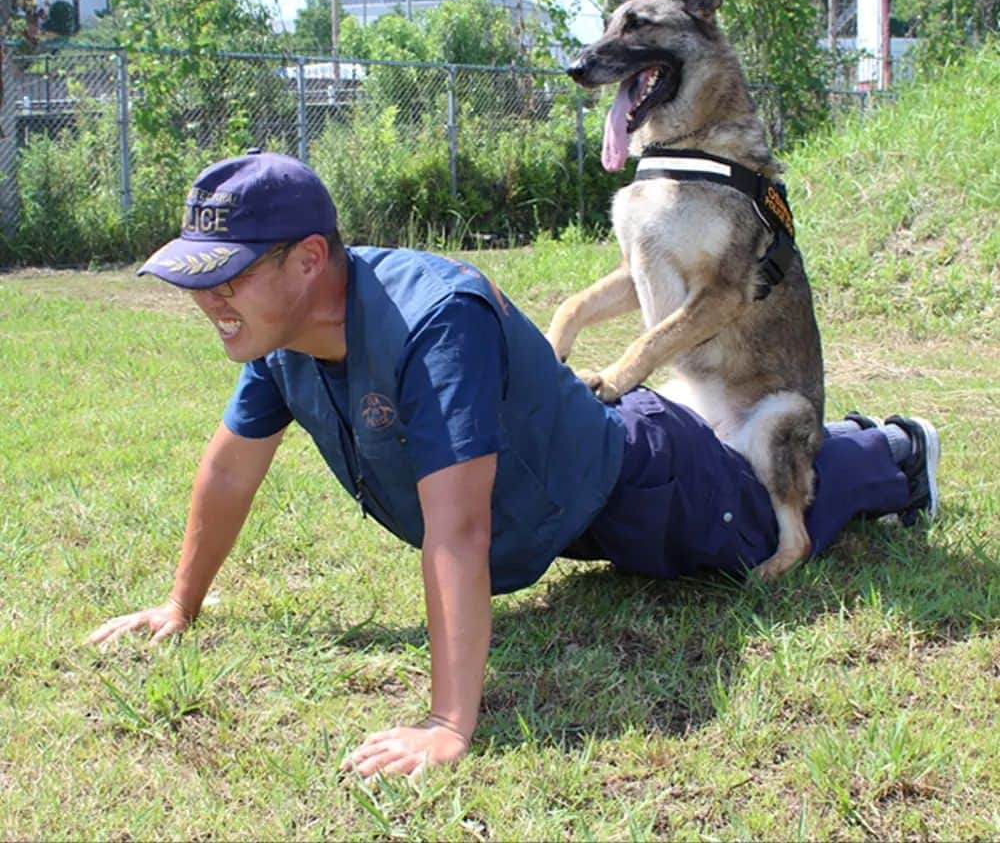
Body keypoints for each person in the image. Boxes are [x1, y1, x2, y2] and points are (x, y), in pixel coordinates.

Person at [89, 150, 941, 779]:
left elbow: (457, 529)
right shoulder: (280, 346)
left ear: (309, 260)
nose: (208, 300)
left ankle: (893, 452)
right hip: (560, 509)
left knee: (763, 530)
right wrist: (179, 604)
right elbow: (231, 470)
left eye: (227, 277)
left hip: (639, 483)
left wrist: (449, 723)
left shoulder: (434, 322)